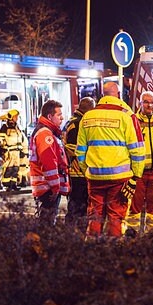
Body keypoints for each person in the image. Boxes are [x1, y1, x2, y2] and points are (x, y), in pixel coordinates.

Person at [77, 83, 145, 240]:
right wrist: (136, 177)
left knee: (95, 213)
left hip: (95, 177)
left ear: (103, 95)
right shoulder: (127, 116)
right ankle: (113, 252)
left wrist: (87, 170)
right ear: (119, 94)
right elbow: (137, 150)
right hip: (119, 177)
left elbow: (80, 152)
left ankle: (92, 249)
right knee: (116, 215)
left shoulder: (88, 116)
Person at [125, 91, 153, 236]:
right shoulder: (132, 121)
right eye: (146, 102)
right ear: (140, 103)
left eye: (152, 102)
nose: (149, 105)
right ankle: (131, 237)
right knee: (133, 206)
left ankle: (151, 237)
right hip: (137, 173)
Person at [29, 100, 70, 225]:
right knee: (47, 223)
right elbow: (49, 163)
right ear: (49, 116)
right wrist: (55, 187)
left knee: (47, 220)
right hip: (47, 187)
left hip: (46, 186)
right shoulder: (45, 133)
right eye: (59, 115)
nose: (62, 118)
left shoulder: (47, 132)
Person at [62, 97, 96, 228]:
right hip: (78, 172)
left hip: (73, 170)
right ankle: (74, 234)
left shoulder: (71, 121)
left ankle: (73, 231)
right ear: (89, 108)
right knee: (78, 206)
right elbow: (74, 149)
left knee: (75, 204)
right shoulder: (79, 123)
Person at [0, 109, 28, 191]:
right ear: (11, 117)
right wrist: (4, 149)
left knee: (16, 168)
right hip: (9, 151)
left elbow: (20, 138)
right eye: (15, 116)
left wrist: (22, 150)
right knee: (8, 168)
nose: (17, 118)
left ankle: (13, 184)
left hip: (17, 151)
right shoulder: (5, 127)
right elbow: (1, 139)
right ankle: (6, 184)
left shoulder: (16, 127)